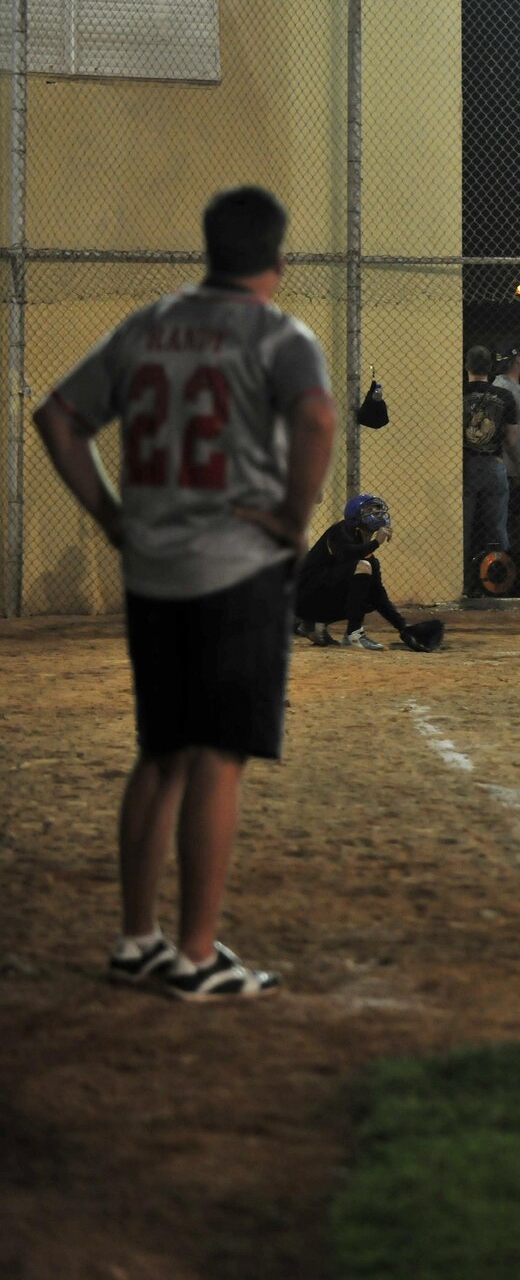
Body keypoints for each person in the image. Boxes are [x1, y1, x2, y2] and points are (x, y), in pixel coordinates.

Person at [30, 184, 335, 1000]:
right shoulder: (279, 334)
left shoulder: (148, 324)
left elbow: (57, 417)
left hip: (153, 567)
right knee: (216, 756)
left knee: (161, 750)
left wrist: (111, 517)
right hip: (235, 565)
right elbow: (317, 421)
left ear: (210, 249)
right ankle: (197, 956)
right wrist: (291, 517)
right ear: (278, 259)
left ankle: (137, 939)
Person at [294, 494, 441, 652]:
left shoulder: (368, 557)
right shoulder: (339, 531)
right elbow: (347, 554)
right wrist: (376, 543)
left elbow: (379, 596)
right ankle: (354, 634)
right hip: (301, 596)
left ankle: (314, 624)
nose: (377, 515)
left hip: (317, 599)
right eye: (370, 511)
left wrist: (402, 627)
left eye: (379, 511)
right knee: (362, 567)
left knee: (371, 592)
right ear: (355, 516)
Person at [463, 345, 518, 575]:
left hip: (464, 463)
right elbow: (512, 440)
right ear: (491, 368)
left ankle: (462, 577)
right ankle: (498, 577)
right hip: (493, 463)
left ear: (466, 366)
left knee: (463, 527)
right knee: (496, 527)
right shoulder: (504, 396)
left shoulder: (458, 392)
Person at [492, 343, 520, 482]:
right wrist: (519, 465)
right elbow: (505, 430)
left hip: (515, 465)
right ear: (517, 359)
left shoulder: (511, 385)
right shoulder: (503, 387)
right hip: (509, 467)